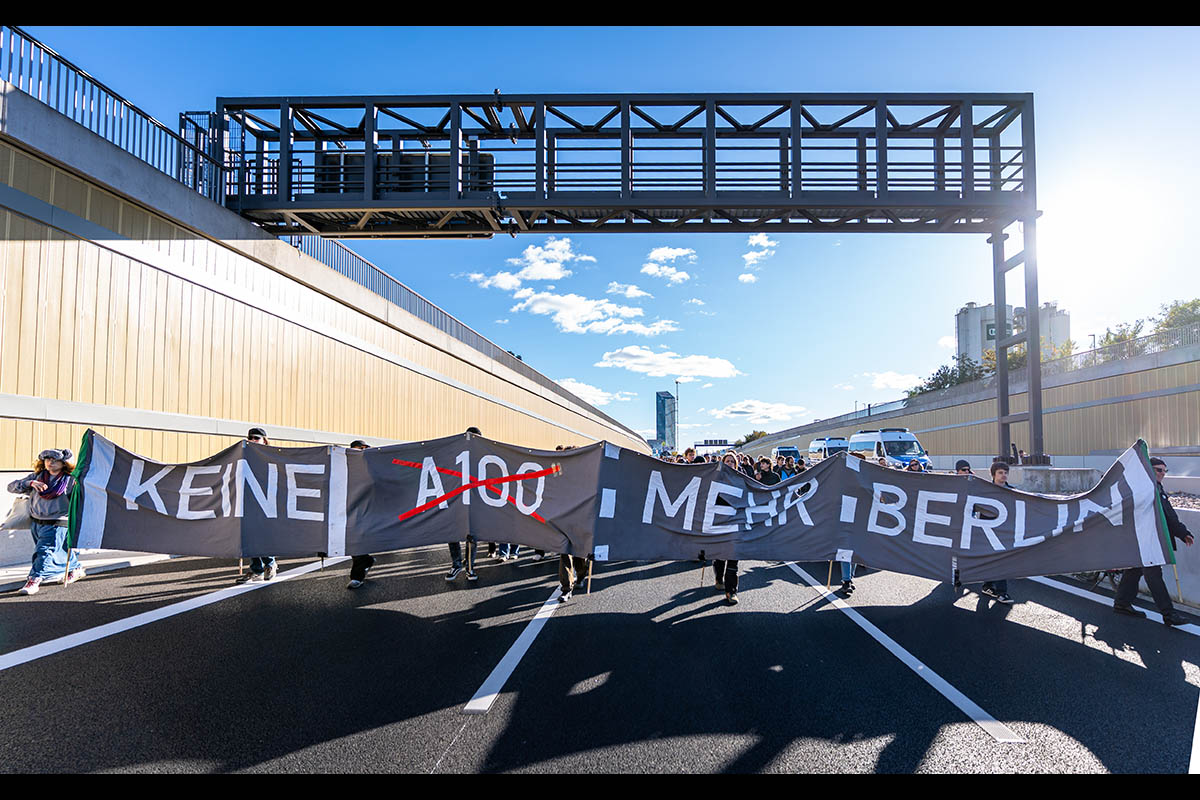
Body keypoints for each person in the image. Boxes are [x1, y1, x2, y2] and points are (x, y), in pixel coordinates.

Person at [1112, 458, 1193, 626]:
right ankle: (1169, 614)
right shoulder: (1150, 488)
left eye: (1165, 471)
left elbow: (1166, 515)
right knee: (1154, 576)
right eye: (1159, 470)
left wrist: (1182, 532)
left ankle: (1122, 602)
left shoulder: (1147, 486)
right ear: (1149, 469)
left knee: (1134, 571)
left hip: (1142, 538)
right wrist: (1183, 532)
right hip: (1146, 540)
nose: (1163, 474)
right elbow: (1168, 515)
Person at [11, 448, 84, 596]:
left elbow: (81, 500)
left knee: (44, 551)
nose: (50, 462)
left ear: (64, 463)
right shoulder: (38, 477)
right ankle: (75, 568)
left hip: (58, 522)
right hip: (37, 522)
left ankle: (34, 579)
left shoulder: (70, 480)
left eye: (54, 460)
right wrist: (29, 483)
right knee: (59, 549)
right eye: (47, 459)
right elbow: (11, 487)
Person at [236, 428, 278, 584]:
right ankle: (257, 569)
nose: (252, 440)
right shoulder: (243, 455)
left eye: (256, 438)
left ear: (264, 440)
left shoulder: (271, 456)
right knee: (250, 536)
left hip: (266, 500)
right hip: (249, 500)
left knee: (263, 534)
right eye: (250, 438)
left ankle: (270, 564)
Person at [974, 461, 1014, 604]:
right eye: (1000, 473)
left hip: (1005, 533)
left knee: (1001, 560)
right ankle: (997, 590)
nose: (1004, 475)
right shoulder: (985, 492)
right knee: (992, 560)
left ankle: (991, 587)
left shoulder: (1013, 492)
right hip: (987, 532)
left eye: (1005, 473)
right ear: (993, 475)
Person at [446, 426, 481, 582]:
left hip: (475, 504)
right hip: (457, 501)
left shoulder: (484, 455)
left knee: (471, 537)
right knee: (452, 534)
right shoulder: (456, 452)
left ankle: (470, 567)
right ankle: (456, 564)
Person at [713, 453, 743, 605]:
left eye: (733, 461)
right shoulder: (715, 478)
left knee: (733, 558)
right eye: (727, 461)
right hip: (719, 523)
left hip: (735, 523)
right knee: (720, 556)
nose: (730, 463)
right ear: (723, 463)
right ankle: (719, 577)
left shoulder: (741, 480)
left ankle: (731, 591)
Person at [346, 440, 376, 590]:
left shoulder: (372, 465)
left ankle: (357, 576)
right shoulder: (345, 465)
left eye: (364, 449)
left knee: (357, 541)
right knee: (352, 542)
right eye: (359, 448)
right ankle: (366, 561)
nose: (362, 451)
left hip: (368, 509)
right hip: (349, 509)